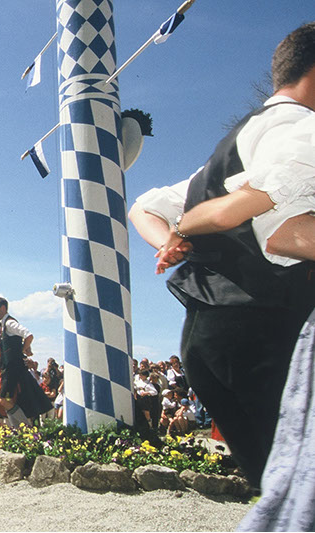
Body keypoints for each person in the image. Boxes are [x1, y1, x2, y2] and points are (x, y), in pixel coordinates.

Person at [127, 21, 315, 489]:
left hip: (209, 342)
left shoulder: (232, 150)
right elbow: (282, 235)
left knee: (285, 495)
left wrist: (169, 239)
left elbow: (144, 206)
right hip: (269, 334)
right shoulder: (304, 129)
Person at [0, 297, 52, 427]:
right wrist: (25, 348)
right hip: (9, 367)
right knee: (9, 400)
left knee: (4, 400)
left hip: (13, 368)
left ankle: (25, 428)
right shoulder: (4, 324)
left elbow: (28, 335)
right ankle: (19, 429)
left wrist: (22, 349)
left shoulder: (9, 323)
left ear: (3, 308)